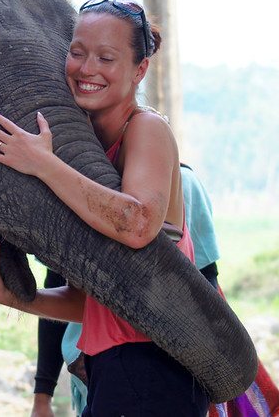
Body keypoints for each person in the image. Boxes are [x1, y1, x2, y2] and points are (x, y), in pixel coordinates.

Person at [0, 0, 209, 416]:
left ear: (140, 69)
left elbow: (138, 222)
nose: (86, 69)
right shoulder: (91, 149)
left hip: (155, 367)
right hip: (112, 367)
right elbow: (92, 302)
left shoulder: (146, 128)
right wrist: (14, 296)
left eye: (106, 58)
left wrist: (42, 163)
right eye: (77, 53)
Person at [31, 163, 222, 417]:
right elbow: (56, 282)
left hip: (156, 371)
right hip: (94, 369)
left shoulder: (183, 183)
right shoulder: (77, 181)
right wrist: (42, 395)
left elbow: (206, 290)